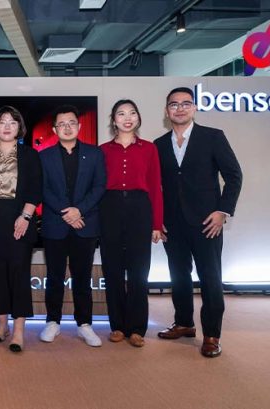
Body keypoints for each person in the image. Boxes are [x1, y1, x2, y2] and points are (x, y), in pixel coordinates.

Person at [154, 87, 242, 358]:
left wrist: (222, 211)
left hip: (207, 222)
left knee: (210, 278)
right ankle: (184, 323)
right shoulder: (158, 144)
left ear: (194, 108)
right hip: (172, 223)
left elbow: (234, 176)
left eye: (185, 103)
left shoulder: (213, 137)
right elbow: (155, 186)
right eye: (174, 104)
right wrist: (157, 219)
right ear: (167, 111)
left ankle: (212, 335)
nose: (179, 108)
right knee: (178, 276)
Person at [38, 105, 106, 348]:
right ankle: (52, 321)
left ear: (79, 126)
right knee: (54, 276)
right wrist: (67, 212)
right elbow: (43, 189)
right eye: (62, 124)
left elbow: (99, 186)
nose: (67, 127)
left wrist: (79, 210)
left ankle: (84, 324)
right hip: (55, 225)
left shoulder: (95, 154)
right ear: (54, 129)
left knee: (82, 277)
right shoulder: (44, 156)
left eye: (71, 123)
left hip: (84, 224)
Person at [99, 99, 163, 347]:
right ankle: (117, 325)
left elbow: (155, 187)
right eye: (121, 114)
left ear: (138, 118)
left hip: (139, 208)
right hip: (110, 208)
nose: (127, 118)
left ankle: (137, 328)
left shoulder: (149, 149)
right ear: (113, 120)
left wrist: (156, 223)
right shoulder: (102, 150)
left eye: (132, 113)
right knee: (112, 270)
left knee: (139, 271)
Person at [0, 106, 42, 353]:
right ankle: (2, 325)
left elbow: (36, 188)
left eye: (12, 122)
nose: (7, 126)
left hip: (19, 220)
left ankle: (18, 331)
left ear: (19, 127)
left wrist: (25, 216)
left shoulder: (29, 155)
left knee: (18, 274)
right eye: (2, 121)